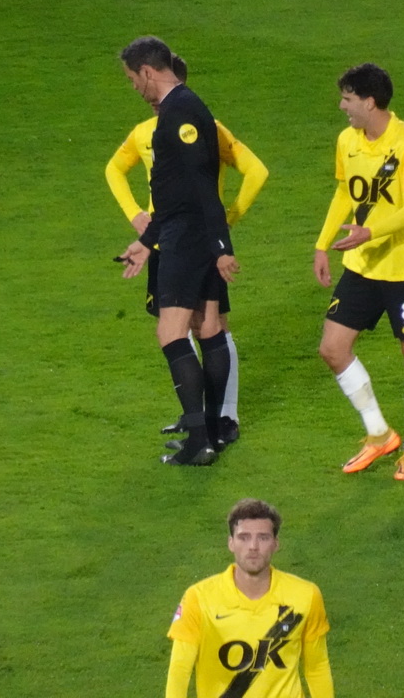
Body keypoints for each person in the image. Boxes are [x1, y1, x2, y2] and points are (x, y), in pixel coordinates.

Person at [105, 54, 268, 448]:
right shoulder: (178, 114)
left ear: (146, 72)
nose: (133, 87)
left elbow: (199, 186)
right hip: (185, 233)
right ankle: (212, 427)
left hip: (188, 239)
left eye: (132, 78)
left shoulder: (182, 113)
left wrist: (221, 242)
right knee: (208, 327)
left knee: (173, 333)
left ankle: (201, 438)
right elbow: (173, 194)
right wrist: (146, 242)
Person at [312, 63, 404, 481]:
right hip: (363, 266)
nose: (341, 106)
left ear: (369, 101)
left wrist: (369, 231)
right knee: (332, 348)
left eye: (347, 98)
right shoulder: (347, 141)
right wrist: (321, 243)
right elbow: (345, 191)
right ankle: (379, 433)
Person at [165, 498, 334, 698]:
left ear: (275, 544)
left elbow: (317, 667)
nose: (253, 546)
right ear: (231, 543)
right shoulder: (199, 599)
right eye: (244, 537)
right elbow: (180, 671)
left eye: (263, 538)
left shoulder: (305, 595)